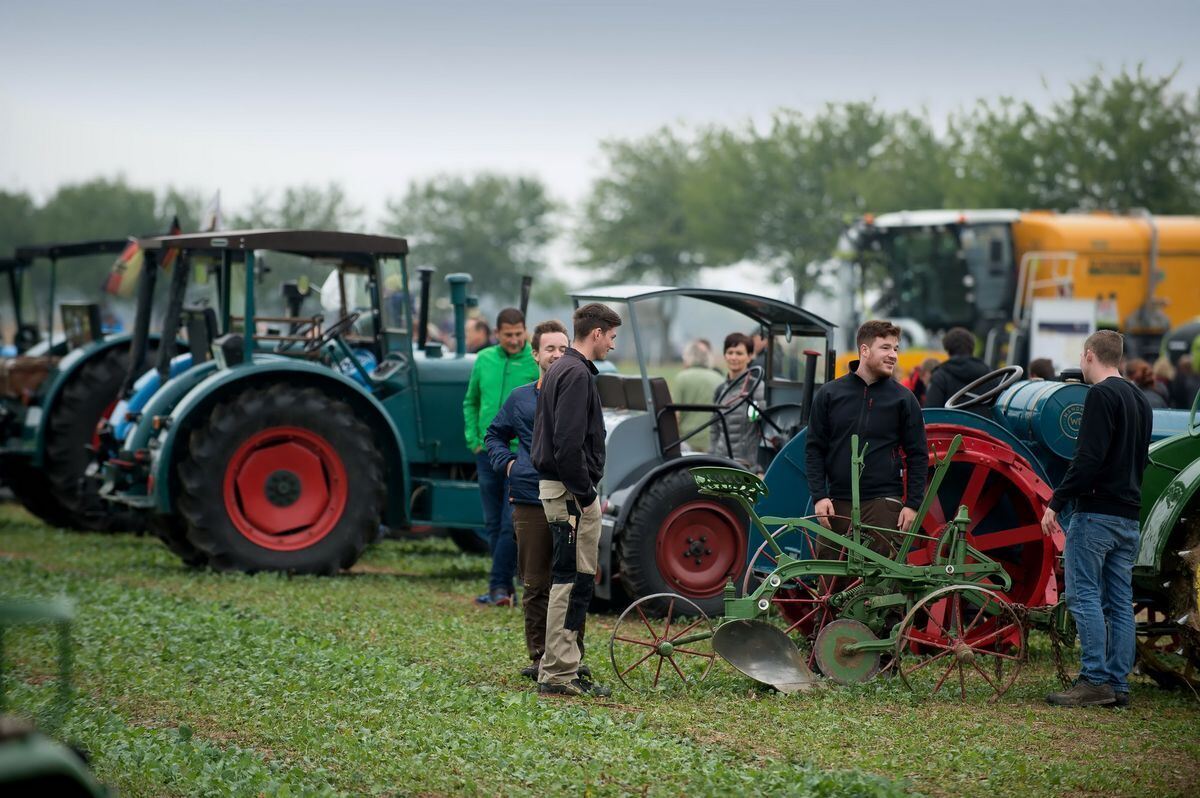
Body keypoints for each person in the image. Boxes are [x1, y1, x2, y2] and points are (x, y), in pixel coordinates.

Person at [1042, 330, 1152, 708]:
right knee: (1121, 602)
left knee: (1083, 595)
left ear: (1089, 355)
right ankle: (1119, 685)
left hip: (1097, 515)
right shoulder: (1141, 399)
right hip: (1128, 517)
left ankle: (1094, 680)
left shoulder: (1101, 395)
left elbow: (1087, 459)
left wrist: (1055, 502)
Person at [531, 302, 621, 697]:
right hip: (569, 493)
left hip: (563, 489)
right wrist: (586, 496)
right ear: (597, 333)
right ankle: (558, 675)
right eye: (613, 337)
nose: (613, 346)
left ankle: (564, 665)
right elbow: (567, 446)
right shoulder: (576, 374)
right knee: (570, 582)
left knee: (570, 579)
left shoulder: (562, 370)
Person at [485, 319, 577, 680]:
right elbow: (495, 433)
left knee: (569, 580)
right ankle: (540, 655)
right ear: (535, 353)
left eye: (562, 348)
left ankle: (568, 657)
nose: (556, 354)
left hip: (569, 497)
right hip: (528, 497)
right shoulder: (521, 398)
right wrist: (507, 464)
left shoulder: (580, 394)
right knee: (536, 582)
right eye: (549, 348)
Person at [806, 320, 929, 537]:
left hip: (883, 504)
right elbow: (815, 449)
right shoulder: (829, 394)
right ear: (864, 350)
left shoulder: (904, 399)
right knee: (829, 570)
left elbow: (918, 455)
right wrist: (820, 496)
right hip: (837, 503)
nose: (893, 355)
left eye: (896, 348)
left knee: (878, 571)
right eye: (886, 347)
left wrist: (912, 505)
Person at [462, 307, 540, 606]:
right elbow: (471, 402)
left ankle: (497, 587)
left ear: (525, 331)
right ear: (497, 334)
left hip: (519, 455)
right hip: (486, 452)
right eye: (508, 335)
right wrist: (473, 439)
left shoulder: (533, 363)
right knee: (492, 523)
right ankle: (504, 590)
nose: (514, 340)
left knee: (511, 524)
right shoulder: (484, 359)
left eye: (519, 334)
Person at [710, 332, 766, 471]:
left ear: (750, 356)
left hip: (745, 465)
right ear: (725, 356)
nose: (734, 357)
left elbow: (759, 424)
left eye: (739, 353)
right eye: (730, 352)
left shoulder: (755, 387)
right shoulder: (720, 390)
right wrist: (710, 457)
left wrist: (759, 467)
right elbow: (714, 430)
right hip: (720, 461)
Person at [672, 340, 724, 452]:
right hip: (714, 442)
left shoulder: (681, 378)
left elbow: (675, 416)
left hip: (688, 441)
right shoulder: (719, 379)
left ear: (688, 357)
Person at [925, 327, 992, 408]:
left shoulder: (940, 376)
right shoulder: (990, 375)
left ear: (948, 350)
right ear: (972, 348)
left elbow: (932, 412)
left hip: (950, 420)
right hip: (983, 420)